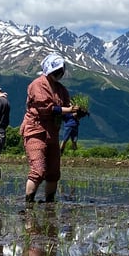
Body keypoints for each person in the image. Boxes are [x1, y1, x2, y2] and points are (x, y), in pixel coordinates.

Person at [20, 53, 81, 204]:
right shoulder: (38, 85)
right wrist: (69, 110)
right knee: (38, 170)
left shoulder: (61, 89)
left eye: (61, 71)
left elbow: (65, 110)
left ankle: (49, 203)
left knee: (54, 172)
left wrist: (77, 113)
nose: (59, 74)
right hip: (35, 131)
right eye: (56, 71)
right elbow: (47, 108)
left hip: (52, 132)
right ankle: (29, 204)